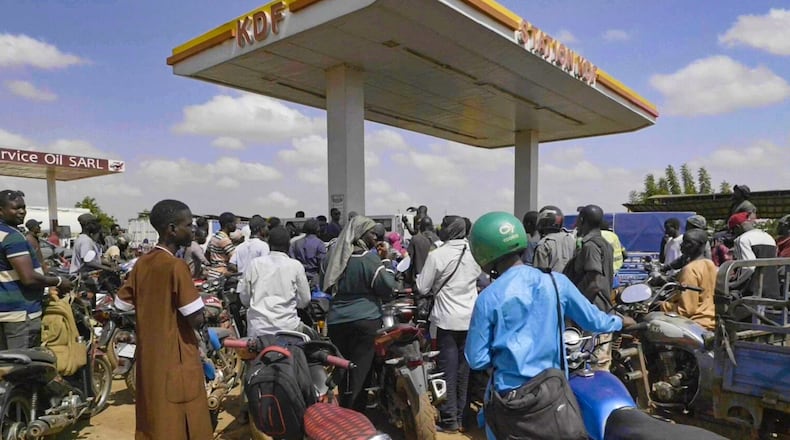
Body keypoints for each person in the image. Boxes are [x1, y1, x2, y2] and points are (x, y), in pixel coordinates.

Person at [464, 212, 633, 440]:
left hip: (509, 398)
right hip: (551, 396)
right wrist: (621, 322)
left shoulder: (488, 298)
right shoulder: (556, 282)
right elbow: (594, 320)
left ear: (482, 252)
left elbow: (477, 359)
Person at [115, 199, 211, 439]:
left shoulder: (142, 263)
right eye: (188, 225)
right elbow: (196, 319)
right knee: (181, 417)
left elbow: (121, 304)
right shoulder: (176, 266)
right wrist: (210, 309)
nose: (192, 230)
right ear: (171, 229)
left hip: (149, 356)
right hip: (175, 356)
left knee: (154, 415)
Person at [321, 215, 397, 411]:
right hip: (366, 321)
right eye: (372, 233)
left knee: (343, 369)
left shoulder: (332, 257)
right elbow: (387, 287)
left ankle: (344, 408)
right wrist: (387, 262)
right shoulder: (368, 258)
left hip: (337, 321)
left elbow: (325, 285)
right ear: (361, 234)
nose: (375, 237)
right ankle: (356, 415)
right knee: (360, 372)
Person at [416, 216, 481, 433]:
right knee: (465, 371)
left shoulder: (438, 255)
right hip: (471, 319)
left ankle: (449, 419)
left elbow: (423, 287)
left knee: (447, 372)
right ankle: (463, 418)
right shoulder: (475, 253)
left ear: (448, 230)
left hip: (447, 320)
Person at [0, 190, 72, 349]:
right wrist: (59, 281)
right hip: (19, 315)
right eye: (15, 208)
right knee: (22, 367)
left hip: (4, 312)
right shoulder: (12, 237)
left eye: (23, 207)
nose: (22, 211)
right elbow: (29, 278)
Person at [563, 204, 615, 370]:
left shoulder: (590, 246)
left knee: (594, 365)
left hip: (593, 312)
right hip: (600, 310)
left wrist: (578, 306)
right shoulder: (605, 243)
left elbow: (594, 283)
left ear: (583, 220)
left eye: (579, 219)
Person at [238, 226, 311, 337]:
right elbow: (305, 301)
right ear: (288, 245)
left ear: (268, 244)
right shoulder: (295, 266)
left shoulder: (255, 264)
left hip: (258, 330)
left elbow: (245, 298)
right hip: (288, 328)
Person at [659, 229, 716, 330]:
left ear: (697, 245)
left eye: (687, 242)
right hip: (712, 319)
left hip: (696, 322)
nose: (682, 245)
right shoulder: (710, 264)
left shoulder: (689, 270)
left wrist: (661, 305)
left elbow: (686, 310)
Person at [728, 212, 780, 299]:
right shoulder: (769, 237)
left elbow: (748, 267)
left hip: (752, 293)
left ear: (737, 227)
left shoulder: (742, 239)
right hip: (771, 290)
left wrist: (733, 284)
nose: (733, 234)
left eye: (732, 231)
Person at [532, 206, 576, 273]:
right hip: (570, 283)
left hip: (552, 282)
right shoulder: (572, 239)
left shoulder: (543, 245)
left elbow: (539, 275)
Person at [289, 218, 326, 287]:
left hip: (298, 277)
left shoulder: (295, 243)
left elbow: (292, 261)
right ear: (317, 229)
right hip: (314, 278)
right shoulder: (320, 244)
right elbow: (322, 265)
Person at [406, 216, 438, 285]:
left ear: (421, 227)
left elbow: (409, 261)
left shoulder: (415, 239)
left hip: (419, 281)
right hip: (435, 281)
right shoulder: (439, 240)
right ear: (431, 226)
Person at [206, 212, 237, 279]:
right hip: (222, 274)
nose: (235, 225)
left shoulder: (214, 237)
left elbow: (207, 255)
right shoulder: (224, 240)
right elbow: (235, 258)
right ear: (228, 224)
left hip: (212, 273)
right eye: (234, 223)